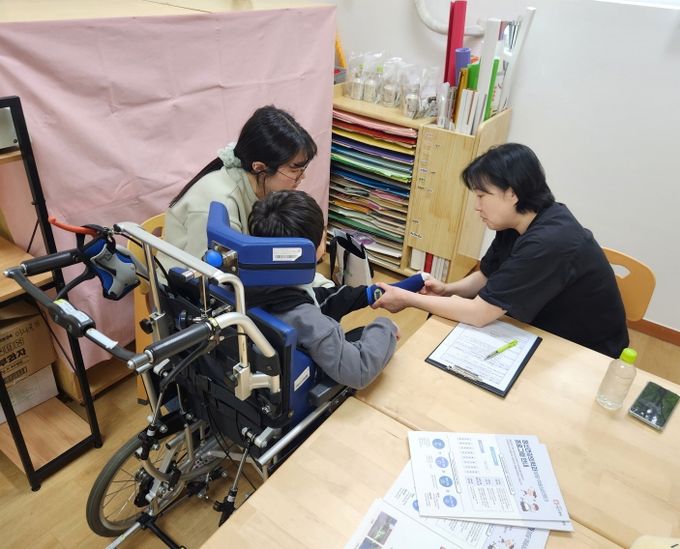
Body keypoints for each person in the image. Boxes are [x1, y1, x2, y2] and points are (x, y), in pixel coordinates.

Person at [371, 143, 628, 358]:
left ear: (512, 194)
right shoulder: (518, 221)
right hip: (540, 325)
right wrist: (448, 289)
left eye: (482, 196)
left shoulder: (548, 242)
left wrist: (407, 299)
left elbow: (480, 313)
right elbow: (488, 275)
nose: (477, 206)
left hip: (585, 352)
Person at [246, 190, 399, 390]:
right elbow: (359, 371)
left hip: (254, 383)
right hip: (300, 391)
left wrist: (366, 294)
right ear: (311, 249)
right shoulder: (308, 320)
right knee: (372, 340)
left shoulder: (245, 282)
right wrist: (386, 326)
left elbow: (313, 298)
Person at [164, 105, 317, 261]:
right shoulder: (219, 207)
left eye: (303, 168)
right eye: (295, 170)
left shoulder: (258, 187)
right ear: (259, 167)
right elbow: (208, 273)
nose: (302, 176)